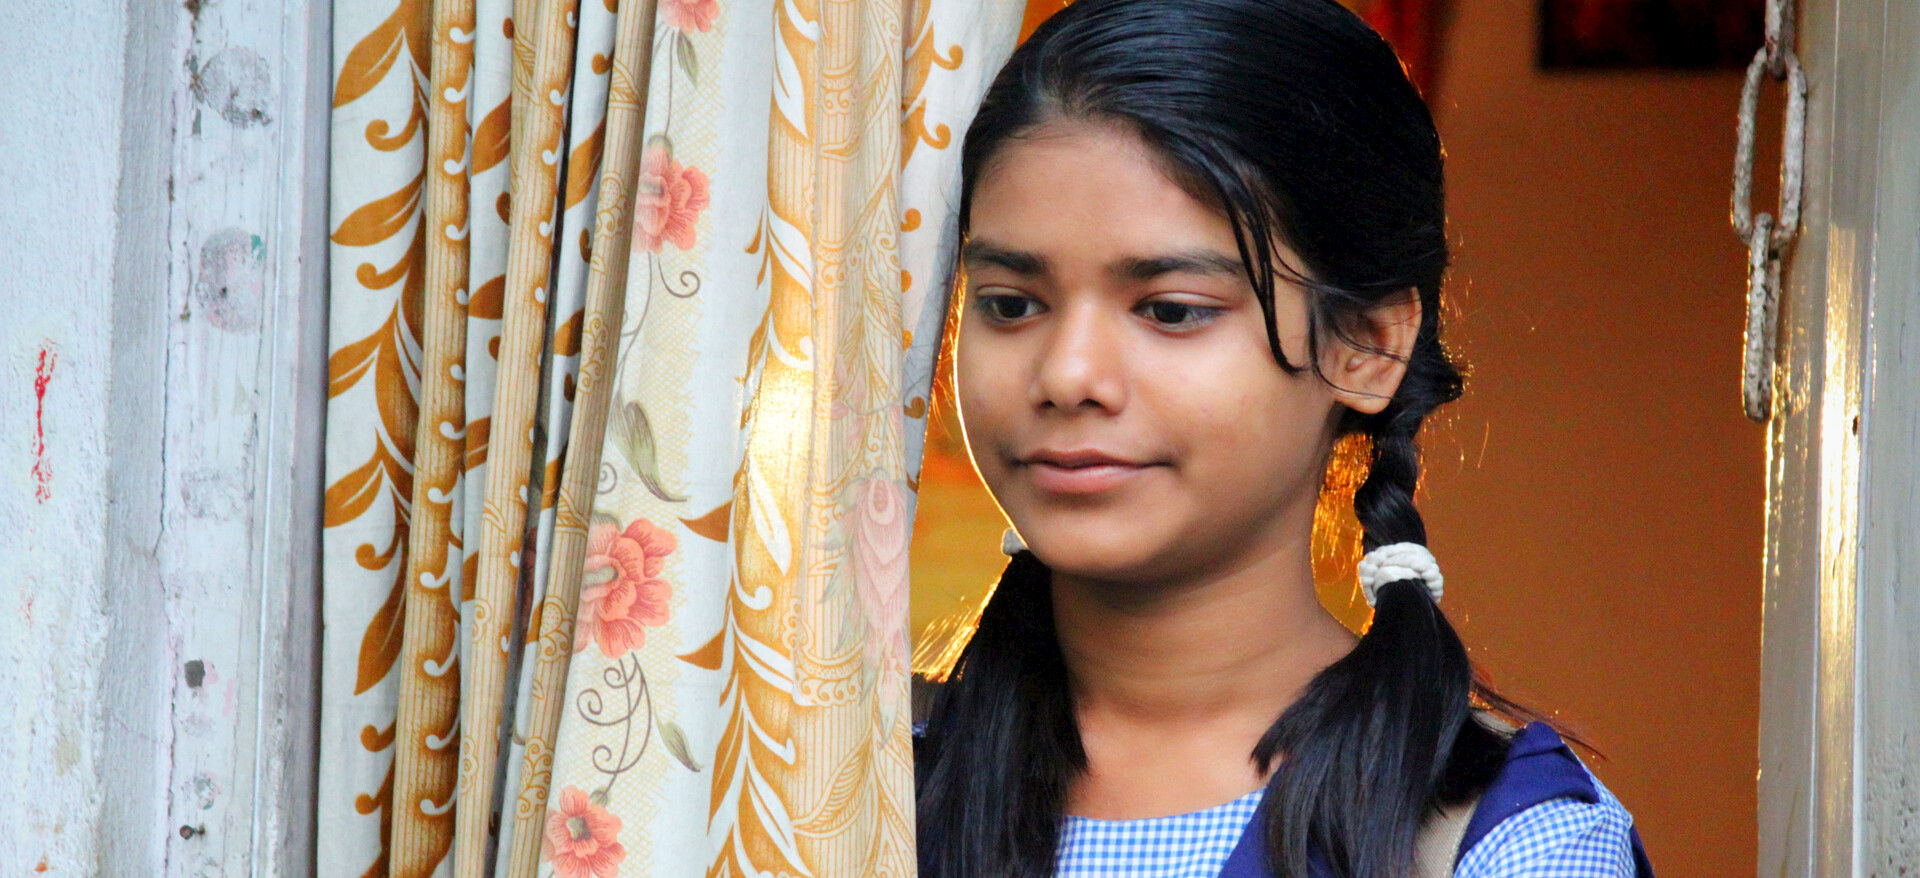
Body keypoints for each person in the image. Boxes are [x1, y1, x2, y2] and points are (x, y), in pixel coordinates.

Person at [911, 1, 1657, 876]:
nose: (1068, 374)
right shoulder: (837, 790)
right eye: (1010, 304)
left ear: (1366, 345)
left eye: (1172, 310)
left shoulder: (1508, 841)